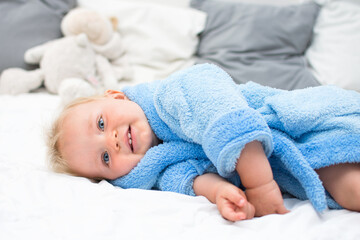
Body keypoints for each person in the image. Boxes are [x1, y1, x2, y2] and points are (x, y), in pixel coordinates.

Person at [47, 64, 360, 221]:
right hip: (295, 163)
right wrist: (221, 191)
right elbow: (190, 179)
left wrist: (260, 186)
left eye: (101, 123)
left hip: (303, 127)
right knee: (349, 189)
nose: (111, 141)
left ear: (115, 96)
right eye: (104, 158)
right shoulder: (158, 165)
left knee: (346, 171)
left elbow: (226, 117)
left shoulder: (174, 94)